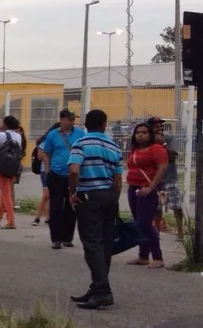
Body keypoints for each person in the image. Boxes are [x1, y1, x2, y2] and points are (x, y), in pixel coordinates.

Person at [67, 109, 124, 310]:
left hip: (89, 196)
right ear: (104, 124)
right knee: (105, 244)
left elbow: (74, 170)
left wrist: (73, 191)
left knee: (92, 244)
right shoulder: (114, 146)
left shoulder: (80, 143)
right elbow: (118, 179)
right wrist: (114, 198)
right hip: (109, 196)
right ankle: (97, 286)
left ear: (85, 125)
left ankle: (102, 292)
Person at [38, 110, 84, 250]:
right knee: (56, 207)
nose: (72, 122)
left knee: (72, 207)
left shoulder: (80, 134)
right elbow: (46, 153)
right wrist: (48, 170)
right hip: (57, 174)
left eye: (73, 119)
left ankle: (67, 238)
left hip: (74, 175)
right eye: (69, 119)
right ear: (62, 119)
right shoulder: (53, 135)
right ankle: (56, 239)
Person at [123, 123, 168, 269]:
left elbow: (162, 168)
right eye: (138, 132)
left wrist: (150, 187)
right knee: (138, 223)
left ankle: (157, 257)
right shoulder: (135, 150)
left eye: (144, 132)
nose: (140, 135)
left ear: (150, 135)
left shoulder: (156, 149)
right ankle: (143, 255)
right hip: (134, 187)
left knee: (145, 223)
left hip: (147, 189)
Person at [0, 115, 26, 229]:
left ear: (5, 124)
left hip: (3, 167)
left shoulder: (2, 135)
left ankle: (11, 221)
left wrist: (0, 132)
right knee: (5, 193)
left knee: (6, 195)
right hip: (14, 167)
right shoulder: (18, 136)